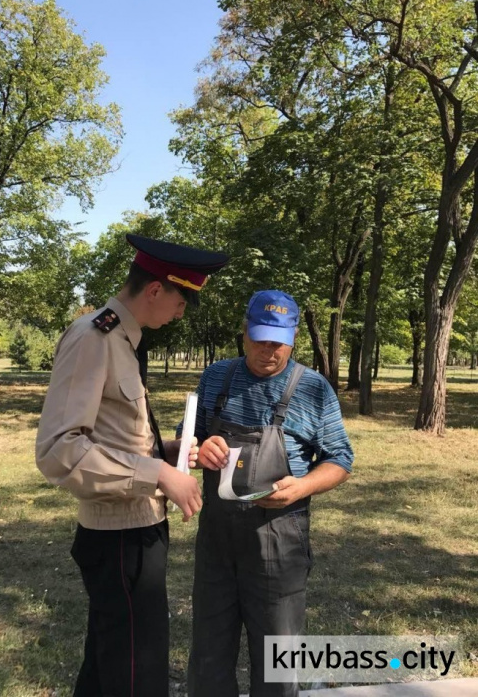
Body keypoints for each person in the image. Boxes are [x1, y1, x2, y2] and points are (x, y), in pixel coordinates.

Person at [35, 233, 229, 697]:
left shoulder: (123, 339)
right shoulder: (94, 338)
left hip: (136, 529)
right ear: (156, 290)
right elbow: (59, 449)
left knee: (108, 666)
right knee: (135, 672)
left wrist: (173, 454)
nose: (183, 312)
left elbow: (115, 434)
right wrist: (157, 474)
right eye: (184, 300)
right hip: (118, 538)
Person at [183, 289, 354, 697]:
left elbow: (340, 459)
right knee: (208, 655)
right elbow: (186, 441)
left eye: (278, 342)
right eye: (259, 339)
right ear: (243, 333)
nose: (268, 351)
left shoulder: (313, 389)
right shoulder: (215, 378)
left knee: (278, 662)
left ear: (293, 338)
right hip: (218, 542)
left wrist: (303, 486)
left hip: (279, 541)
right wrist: (199, 448)